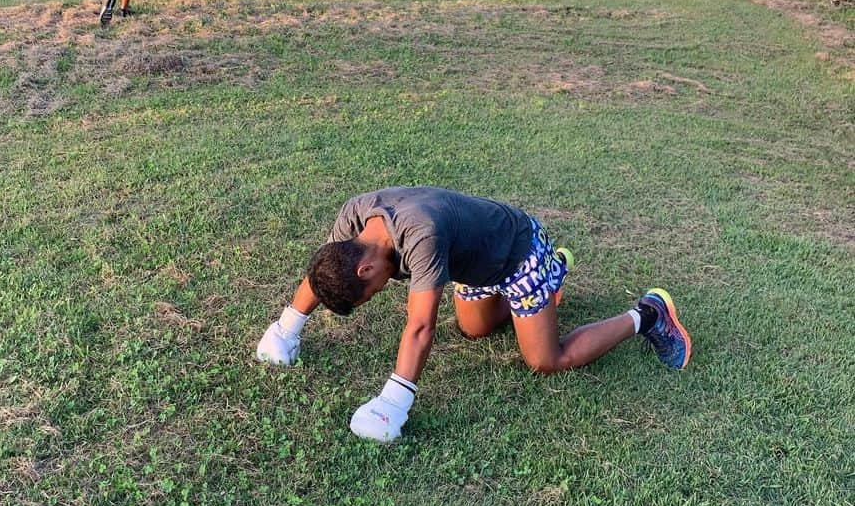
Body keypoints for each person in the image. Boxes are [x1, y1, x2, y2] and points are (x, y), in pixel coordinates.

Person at [256, 187, 691, 442]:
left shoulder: (419, 235)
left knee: (545, 360)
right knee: (474, 328)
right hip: (474, 262)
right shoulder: (354, 219)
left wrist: (393, 404)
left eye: (369, 292)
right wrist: (286, 329)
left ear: (365, 268)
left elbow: (421, 325)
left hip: (515, 252)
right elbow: (322, 272)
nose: (376, 295)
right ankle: (546, 288)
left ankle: (647, 314)